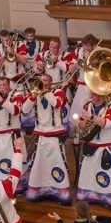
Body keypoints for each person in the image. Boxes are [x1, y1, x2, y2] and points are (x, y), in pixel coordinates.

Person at [24, 74, 72, 204]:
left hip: (55, 136)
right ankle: (39, 189)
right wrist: (33, 96)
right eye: (41, 81)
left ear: (51, 83)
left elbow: (58, 104)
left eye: (45, 81)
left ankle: (60, 190)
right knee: (39, 164)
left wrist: (46, 93)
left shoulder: (59, 92)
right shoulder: (36, 93)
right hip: (41, 135)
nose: (42, 83)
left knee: (58, 163)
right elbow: (24, 109)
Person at [77, 90, 111, 207]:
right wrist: (80, 123)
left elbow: (106, 124)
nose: (92, 96)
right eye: (91, 93)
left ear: (103, 94)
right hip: (91, 146)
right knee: (88, 175)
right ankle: (89, 196)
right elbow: (82, 124)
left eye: (95, 94)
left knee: (108, 176)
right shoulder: (88, 106)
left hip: (106, 146)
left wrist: (91, 117)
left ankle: (109, 199)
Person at [0, 78, 29, 190]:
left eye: (4, 84)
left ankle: (15, 185)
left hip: (12, 135)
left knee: (14, 161)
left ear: (9, 86)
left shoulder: (17, 94)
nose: (1, 87)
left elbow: (15, 110)